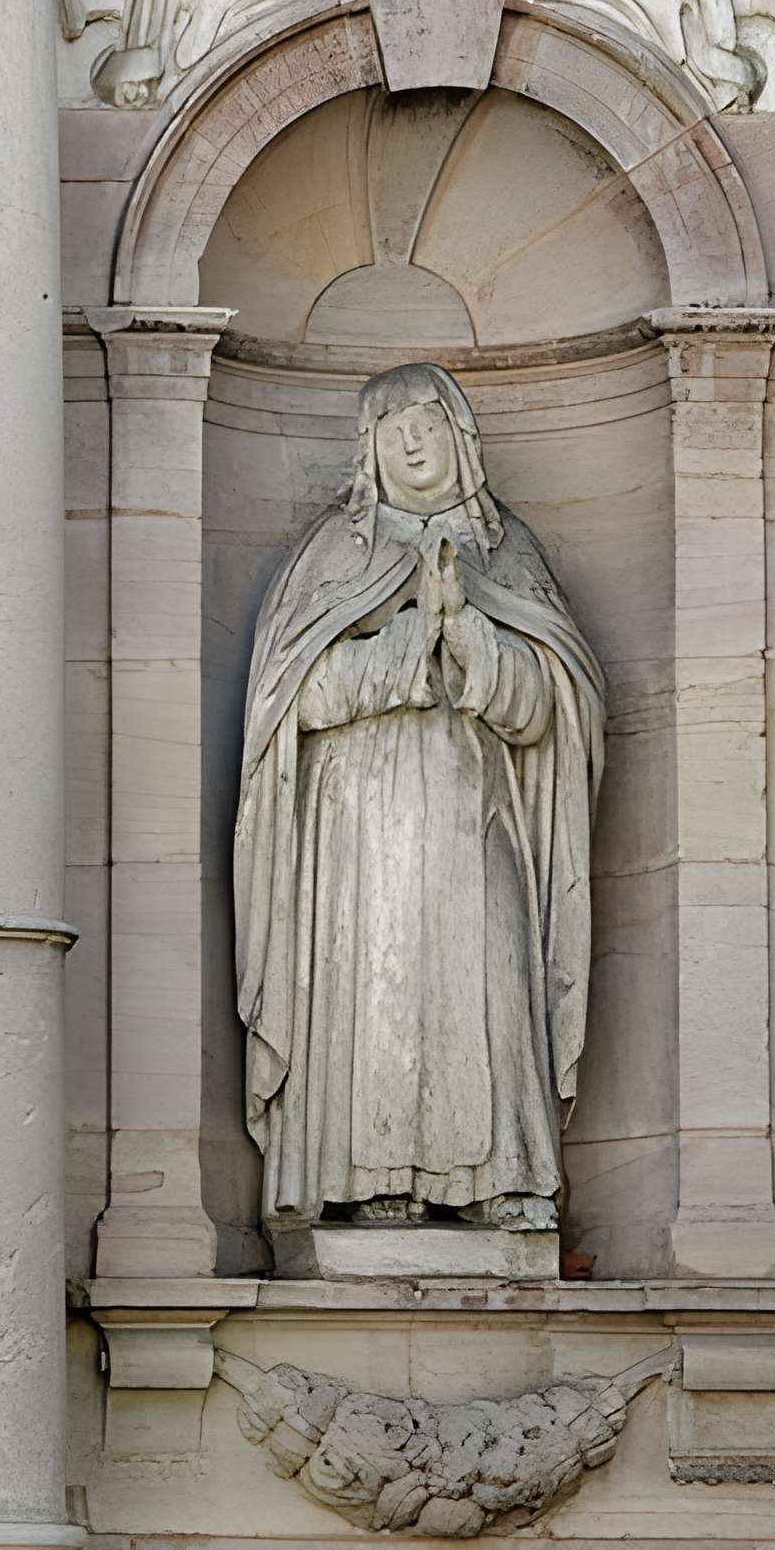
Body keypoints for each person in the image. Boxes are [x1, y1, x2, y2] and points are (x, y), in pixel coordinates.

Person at [234, 362, 604, 1236]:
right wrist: (407, 645)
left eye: (427, 421)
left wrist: (473, 635)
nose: (410, 439)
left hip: (478, 809)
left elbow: (556, 706)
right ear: (366, 449)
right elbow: (294, 700)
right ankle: (371, 1178)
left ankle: (505, 1174)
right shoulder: (334, 553)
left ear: (460, 436)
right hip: (357, 827)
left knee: (493, 968)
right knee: (376, 977)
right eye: (391, 424)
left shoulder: (503, 550)